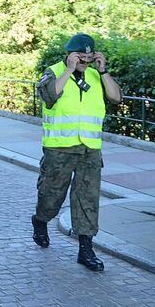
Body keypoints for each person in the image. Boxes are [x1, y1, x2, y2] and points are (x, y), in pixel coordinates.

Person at [32, 33, 122, 272]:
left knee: (87, 199)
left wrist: (103, 72)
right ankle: (40, 221)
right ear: (69, 54)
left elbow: (116, 97)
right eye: (80, 56)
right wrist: (68, 71)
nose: (85, 61)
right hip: (58, 149)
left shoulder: (95, 75)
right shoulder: (53, 71)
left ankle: (86, 250)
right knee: (51, 195)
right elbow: (49, 96)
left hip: (89, 151)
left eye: (89, 57)